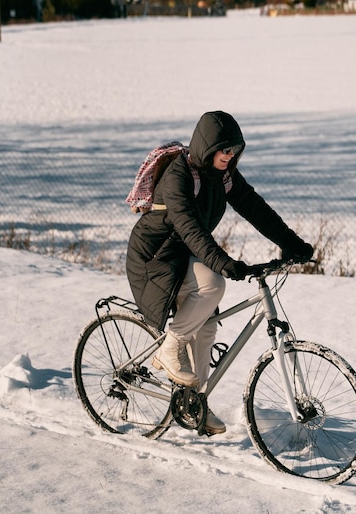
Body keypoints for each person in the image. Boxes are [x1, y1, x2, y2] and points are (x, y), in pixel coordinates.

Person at [126, 111, 313, 435]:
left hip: (184, 253)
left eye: (234, 150)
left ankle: (193, 403)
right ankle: (169, 348)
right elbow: (189, 227)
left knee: (207, 329)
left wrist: (292, 244)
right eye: (224, 149)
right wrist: (223, 262)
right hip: (155, 258)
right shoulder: (179, 176)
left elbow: (257, 210)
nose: (229, 156)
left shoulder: (223, 177)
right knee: (213, 285)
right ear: (207, 146)